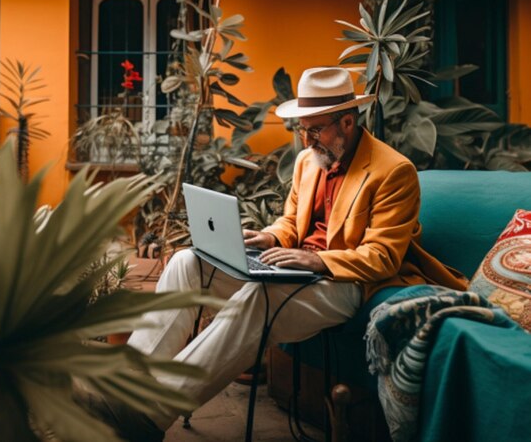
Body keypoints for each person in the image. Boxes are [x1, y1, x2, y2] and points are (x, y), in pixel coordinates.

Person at [76, 66, 468, 442]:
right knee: (187, 262)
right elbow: (291, 224)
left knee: (258, 295)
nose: (305, 139)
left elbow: (383, 257)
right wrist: (268, 238)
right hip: (294, 273)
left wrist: (317, 260)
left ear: (347, 122)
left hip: (344, 282)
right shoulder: (307, 162)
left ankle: (147, 416)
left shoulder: (393, 171)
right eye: (302, 129)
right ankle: (126, 394)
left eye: (314, 130)